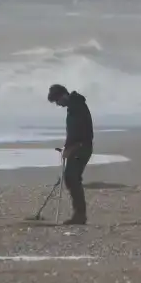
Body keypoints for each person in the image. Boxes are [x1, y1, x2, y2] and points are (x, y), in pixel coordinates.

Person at [47, 84, 94, 225]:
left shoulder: (77, 107)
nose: (58, 104)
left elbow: (80, 132)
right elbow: (73, 132)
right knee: (71, 178)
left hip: (82, 147)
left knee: (72, 178)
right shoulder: (74, 106)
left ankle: (80, 215)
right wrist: (67, 147)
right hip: (78, 146)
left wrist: (72, 147)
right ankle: (79, 214)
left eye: (57, 101)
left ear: (63, 95)